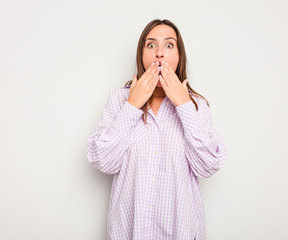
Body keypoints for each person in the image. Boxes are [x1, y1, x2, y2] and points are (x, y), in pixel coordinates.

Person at [87, 19, 227, 240]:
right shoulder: (119, 100)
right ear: (141, 55)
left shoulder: (196, 105)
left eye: (169, 45)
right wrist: (132, 105)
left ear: (179, 56)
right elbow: (103, 161)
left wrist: (184, 105)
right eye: (151, 45)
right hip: (129, 232)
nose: (159, 53)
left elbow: (208, 166)